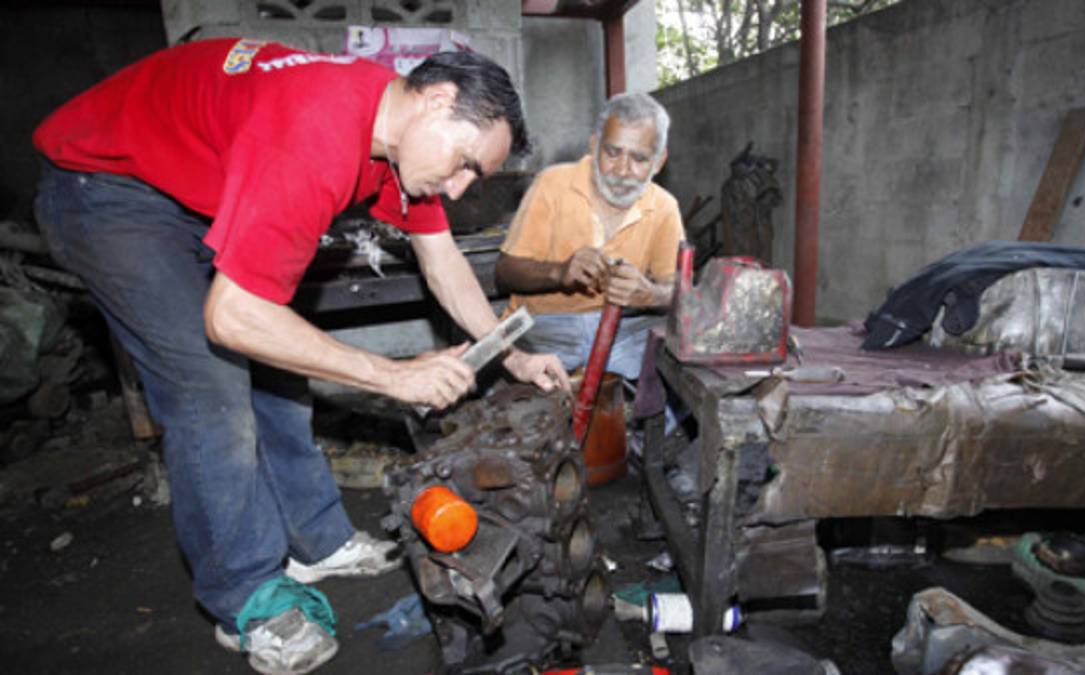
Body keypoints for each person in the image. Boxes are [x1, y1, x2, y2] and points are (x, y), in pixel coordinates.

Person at [32, 38, 568, 674]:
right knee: (209, 384)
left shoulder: (392, 131)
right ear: (437, 100)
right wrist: (392, 376)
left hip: (186, 188)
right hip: (105, 190)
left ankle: (316, 540)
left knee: (280, 361)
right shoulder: (317, 132)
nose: (456, 189)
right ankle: (246, 598)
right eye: (464, 164)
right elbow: (232, 317)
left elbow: (442, 258)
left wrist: (512, 357)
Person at [495, 93, 685, 387]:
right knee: (535, 405)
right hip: (544, 328)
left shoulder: (664, 207)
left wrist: (651, 295)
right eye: (612, 153)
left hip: (623, 330)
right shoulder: (552, 185)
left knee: (674, 381)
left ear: (658, 162)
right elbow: (504, 273)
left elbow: (680, 292)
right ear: (595, 145)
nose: (622, 170)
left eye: (639, 158)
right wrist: (559, 272)